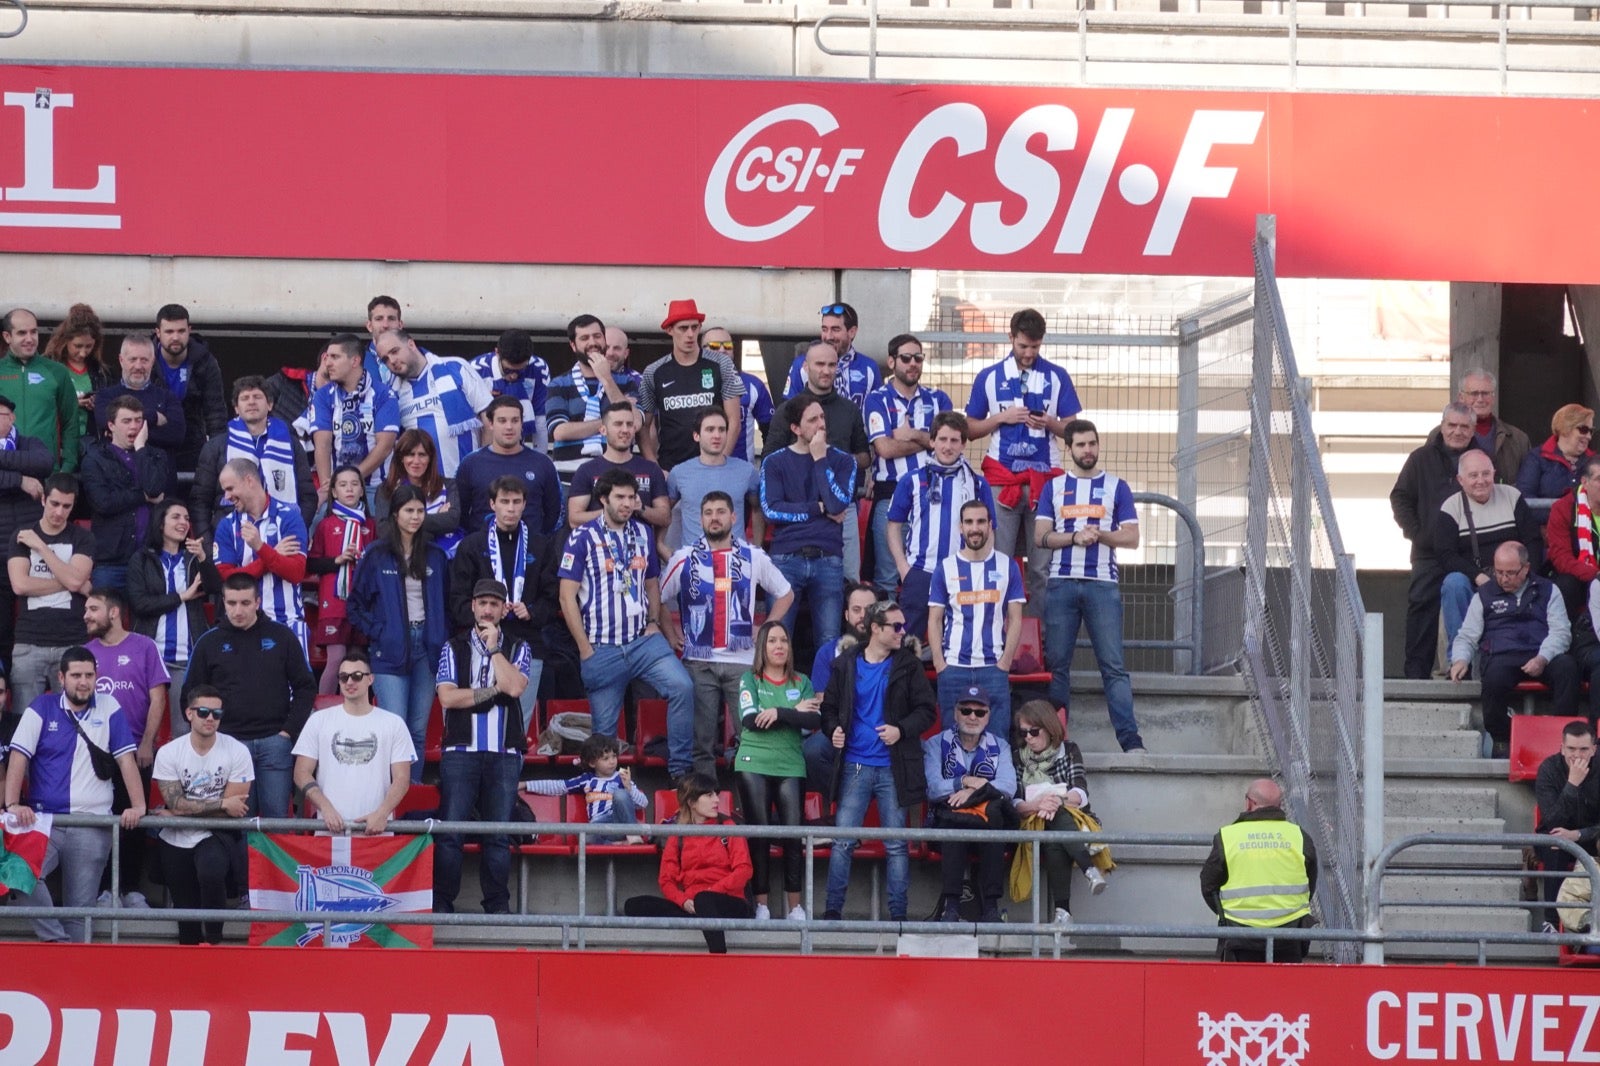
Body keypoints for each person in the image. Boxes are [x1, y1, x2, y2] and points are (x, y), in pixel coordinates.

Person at [558, 468, 694, 780]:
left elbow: (651, 583)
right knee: (604, 734)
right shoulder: (581, 537)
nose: (627, 503)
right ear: (603, 498)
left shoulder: (643, 533)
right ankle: (606, 791)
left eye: (632, 497)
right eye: (620, 497)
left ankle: (680, 771)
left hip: (642, 641)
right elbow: (567, 598)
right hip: (602, 647)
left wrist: (652, 620)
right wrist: (584, 649)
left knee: (683, 687)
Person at [4, 646, 146, 942]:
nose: (83, 682)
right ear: (61, 677)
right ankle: (58, 942)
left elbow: (125, 760)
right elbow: (19, 757)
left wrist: (139, 806)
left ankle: (72, 970)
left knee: (79, 909)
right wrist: (12, 803)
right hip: (46, 822)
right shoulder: (41, 707)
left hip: (92, 824)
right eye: (76, 675)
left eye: (89, 675)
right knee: (20, 874)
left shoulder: (110, 707)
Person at [662, 491, 795, 778]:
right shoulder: (684, 558)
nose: (714, 518)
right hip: (700, 662)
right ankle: (705, 803)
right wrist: (671, 634)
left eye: (721, 511)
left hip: (743, 662)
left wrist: (768, 626)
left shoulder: (753, 557)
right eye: (708, 512)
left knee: (751, 734)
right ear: (700, 519)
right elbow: (657, 597)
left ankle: (748, 800)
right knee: (702, 740)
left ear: (733, 518)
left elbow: (786, 593)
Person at [1035, 418, 1146, 754]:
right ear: (1069, 449)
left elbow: (1132, 537)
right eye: (1081, 445)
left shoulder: (1116, 486)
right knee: (1057, 666)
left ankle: (1131, 742)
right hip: (1061, 584)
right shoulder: (1053, 487)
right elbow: (1041, 536)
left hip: (1102, 585)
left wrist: (1101, 535)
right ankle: (1054, 744)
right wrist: (1074, 537)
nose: (1088, 450)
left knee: (1113, 666)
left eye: (1092, 443)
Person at [819, 600, 935, 921]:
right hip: (855, 764)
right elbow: (828, 709)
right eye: (895, 627)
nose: (903, 631)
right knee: (843, 842)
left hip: (891, 767)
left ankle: (898, 916)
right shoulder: (845, 664)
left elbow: (927, 711)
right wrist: (834, 730)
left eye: (903, 626)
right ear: (875, 629)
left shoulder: (909, 665)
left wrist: (901, 730)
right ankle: (832, 913)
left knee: (896, 845)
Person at [964, 308, 1082, 612]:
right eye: (1023, 346)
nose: (1029, 353)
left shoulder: (1057, 377)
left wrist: (1050, 424)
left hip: (1045, 482)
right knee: (998, 562)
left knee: (1041, 568)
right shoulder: (989, 377)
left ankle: (1039, 641)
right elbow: (970, 429)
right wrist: (1002, 417)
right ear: (1011, 338)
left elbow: (1075, 432)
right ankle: (997, 632)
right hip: (1001, 480)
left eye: (1035, 347)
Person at [434, 578, 533, 915]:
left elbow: (515, 687)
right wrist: (491, 693)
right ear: (473, 606)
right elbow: (448, 697)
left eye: (495, 604)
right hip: (460, 753)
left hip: (504, 753)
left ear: (504, 609)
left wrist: (494, 650)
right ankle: (442, 904)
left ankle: (497, 906)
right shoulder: (453, 646)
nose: (488, 610)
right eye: (482, 603)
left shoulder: (518, 646)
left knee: (497, 835)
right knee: (450, 834)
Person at [184, 573, 317, 818]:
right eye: (231, 603)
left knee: (275, 820)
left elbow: (306, 687)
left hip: (275, 743)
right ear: (223, 602)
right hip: (227, 744)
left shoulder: (282, 636)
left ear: (258, 602)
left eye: (245, 603)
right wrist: (213, 734)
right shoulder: (208, 642)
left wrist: (288, 731)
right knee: (236, 823)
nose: (237, 610)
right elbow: (190, 695)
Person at [347, 484, 451, 784]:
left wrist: (439, 635)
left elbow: (446, 604)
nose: (415, 517)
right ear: (395, 514)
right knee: (395, 728)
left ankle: (412, 799)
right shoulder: (377, 553)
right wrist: (381, 633)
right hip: (389, 649)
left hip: (427, 649)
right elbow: (355, 605)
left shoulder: (435, 556)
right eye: (409, 510)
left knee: (417, 731)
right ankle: (388, 798)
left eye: (420, 510)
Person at [1449, 541, 1578, 758]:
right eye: (1499, 572)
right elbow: (1467, 634)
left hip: (1541, 652)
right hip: (1502, 655)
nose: (1503, 578)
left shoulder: (1548, 590)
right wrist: (1460, 659)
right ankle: (1503, 738)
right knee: (1492, 680)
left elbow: (1561, 632)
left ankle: (1562, 739)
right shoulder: (1484, 594)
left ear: (1526, 568)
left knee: (1568, 668)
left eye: (1511, 573)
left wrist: (1542, 658)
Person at [450, 475, 558, 726]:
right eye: (504, 501)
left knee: (518, 723)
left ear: (524, 504)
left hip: (527, 643)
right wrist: (488, 617)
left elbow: (553, 597)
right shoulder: (472, 546)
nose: (510, 508)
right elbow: (457, 599)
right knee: (480, 721)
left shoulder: (541, 546)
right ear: (492, 504)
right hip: (480, 644)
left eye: (516, 502)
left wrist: (531, 611)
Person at [760, 394, 857, 666]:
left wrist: (819, 459)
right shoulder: (774, 462)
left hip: (828, 558)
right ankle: (778, 702)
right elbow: (771, 511)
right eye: (812, 420)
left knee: (828, 641)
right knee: (778, 638)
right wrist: (818, 508)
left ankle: (827, 703)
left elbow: (838, 502)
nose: (821, 425)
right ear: (795, 429)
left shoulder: (843, 461)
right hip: (786, 558)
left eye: (823, 418)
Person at [152, 685, 252, 945]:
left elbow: (235, 810)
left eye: (217, 713)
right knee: (186, 918)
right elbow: (176, 802)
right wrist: (220, 804)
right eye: (204, 711)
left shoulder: (237, 750)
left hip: (216, 834)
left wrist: (179, 813)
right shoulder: (169, 752)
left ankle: (215, 941)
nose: (210, 718)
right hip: (175, 840)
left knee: (211, 871)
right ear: (189, 713)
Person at [733, 620, 819, 921]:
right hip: (753, 763)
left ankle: (795, 907)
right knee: (760, 834)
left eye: (784, 640)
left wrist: (780, 713)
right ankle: (762, 905)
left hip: (791, 765)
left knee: (792, 835)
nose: (779, 646)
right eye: (772, 641)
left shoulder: (802, 681)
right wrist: (794, 714)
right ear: (762, 647)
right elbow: (750, 720)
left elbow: (814, 722)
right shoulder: (749, 679)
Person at [764, 343, 870, 580]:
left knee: (849, 581)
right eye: (819, 364)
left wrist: (833, 459)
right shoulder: (787, 410)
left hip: (842, 507)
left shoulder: (849, 409)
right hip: (798, 505)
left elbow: (864, 456)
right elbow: (770, 457)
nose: (826, 370)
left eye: (832, 365)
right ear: (806, 367)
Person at [886, 412, 995, 643]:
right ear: (932, 441)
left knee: (958, 643)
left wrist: (979, 568)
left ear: (963, 444)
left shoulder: (977, 483)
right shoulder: (911, 480)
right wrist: (904, 568)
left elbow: (990, 531)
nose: (948, 446)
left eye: (954, 440)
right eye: (943, 439)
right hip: (920, 573)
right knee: (907, 645)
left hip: (963, 574)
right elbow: (893, 526)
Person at [1392, 402, 1478, 679]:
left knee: (1465, 607)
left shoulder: (1482, 459)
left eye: (1464, 426)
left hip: (1466, 551)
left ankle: (1463, 670)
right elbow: (1400, 498)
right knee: (1421, 609)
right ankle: (1415, 675)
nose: (1457, 431)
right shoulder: (1420, 458)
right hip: (1427, 552)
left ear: (1473, 429)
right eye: (1452, 425)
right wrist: (1417, 533)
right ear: (1442, 426)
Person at [622, 773, 753, 954]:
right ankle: (698, 913)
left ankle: (719, 957)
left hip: (728, 901)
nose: (716, 800)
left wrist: (709, 893)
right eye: (709, 795)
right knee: (633, 905)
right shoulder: (679, 834)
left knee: (704, 899)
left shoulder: (728, 826)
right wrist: (683, 901)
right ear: (691, 802)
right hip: (692, 904)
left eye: (716, 794)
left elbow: (744, 870)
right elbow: (666, 880)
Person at [865, 333, 952, 593]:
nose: (913, 363)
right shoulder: (877, 399)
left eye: (918, 358)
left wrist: (912, 434)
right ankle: (890, 634)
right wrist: (930, 440)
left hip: (933, 494)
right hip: (891, 493)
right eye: (906, 358)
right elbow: (885, 449)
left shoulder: (939, 399)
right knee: (888, 576)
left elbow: (952, 444)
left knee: (937, 572)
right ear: (891, 362)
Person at [293, 648, 414, 834]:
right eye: (343, 677)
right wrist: (325, 808)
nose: (350, 682)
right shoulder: (318, 720)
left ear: (370, 679)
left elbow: (402, 778)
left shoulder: (394, 723)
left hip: (376, 831)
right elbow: (301, 772)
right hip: (329, 829)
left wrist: (381, 814)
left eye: (357, 676)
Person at [930, 500, 1024, 739]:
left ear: (991, 525)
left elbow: (1015, 619)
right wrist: (941, 664)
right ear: (960, 527)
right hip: (953, 669)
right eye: (969, 522)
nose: (975, 527)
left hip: (993, 668)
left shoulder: (1008, 565)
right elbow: (934, 620)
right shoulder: (945, 568)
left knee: (996, 741)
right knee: (951, 743)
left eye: (981, 521)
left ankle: (992, 779)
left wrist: (1004, 663)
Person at [1011, 699, 1108, 928]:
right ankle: (1089, 869)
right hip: (1032, 821)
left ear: (1049, 727)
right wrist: (1040, 804)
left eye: (1033, 732)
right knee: (1053, 818)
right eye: (1023, 732)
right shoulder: (1017, 756)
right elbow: (1015, 802)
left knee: (1055, 833)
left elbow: (1081, 793)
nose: (1028, 738)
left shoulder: (1069, 750)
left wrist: (1056, 800)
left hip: (1066, 819)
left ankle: (1063, 912)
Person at [923, 687, 1017, 923]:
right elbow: (934, 788)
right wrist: (964, 781)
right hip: (946, 823)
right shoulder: (935, 744)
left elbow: (1007, 786)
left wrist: (970, 794)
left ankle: (991, 907)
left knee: (994, 826)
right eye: (966, 710)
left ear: (988, 716)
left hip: (987, 822)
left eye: (979, 712)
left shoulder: (1001, 746)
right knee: (954, 825)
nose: (972, 717)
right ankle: (951, 906)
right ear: (955, 713)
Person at [127, 499, 219, 732]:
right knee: (142, 728)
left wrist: (203, 559)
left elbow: (215, 588)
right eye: (176, 517)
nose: (183, 522)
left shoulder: (192, 558)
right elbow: (139, 603)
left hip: (184, 658)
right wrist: (181, 597)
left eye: (187, 518)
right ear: (160, 523)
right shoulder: (142, 558)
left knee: (182, 730)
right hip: (150, 657)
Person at [1200, 778, 1316, 963]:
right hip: (1288, 938)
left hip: (1240, 939)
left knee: (1241, 991)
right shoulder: (1299, 836)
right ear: (1279, 805)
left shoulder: (1228, 837)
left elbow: (1208, 885)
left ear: (1249, 803)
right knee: (1285, 991)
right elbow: (1310, 883)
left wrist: (1229, 915)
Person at [1434, 449, 1541, 650]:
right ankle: (1459, 659)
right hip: (1475, 580)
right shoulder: (1451, 507)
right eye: (1473, 475)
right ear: (1460, 479)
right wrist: (1477, 576)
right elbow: (1445, 555)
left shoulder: (1512, 496)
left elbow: (1533, 540)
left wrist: (1525, 575)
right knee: (1453, 584)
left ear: (1494, 473)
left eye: (1486, 473)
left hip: (1515, 576)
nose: (1480, 480)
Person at [7, 473, 93, 711]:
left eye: (67, 506)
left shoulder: (82, 537)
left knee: (73, 722)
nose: (59, 512)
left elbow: (76, 580)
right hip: (29, 642)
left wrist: (42, 548)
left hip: (72, 641)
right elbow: (20, 585)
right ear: (43, 499)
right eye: (55, 504)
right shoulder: (23, 536)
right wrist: (69, 581)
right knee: (25, 724)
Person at [192, 376, 316, 536]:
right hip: (230, 538)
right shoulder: (216, 446)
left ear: (270, 404)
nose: (251, 402)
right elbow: (200, 502)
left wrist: (294, 530)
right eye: (244, 398)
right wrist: (210, 549)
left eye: (257, 397)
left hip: (282, 537)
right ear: (236, 408)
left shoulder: (291, 444)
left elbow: (307, 497)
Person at [212, 458, 311, 655]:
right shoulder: (227, 525)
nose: (227, 496)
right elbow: (229, 579)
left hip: (288, 622)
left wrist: (259, 546)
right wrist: (270, 556)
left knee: (298, 686)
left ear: (249, 480)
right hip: (243, 626)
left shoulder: (289, 516)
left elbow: (296, 572)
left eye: (230, 488)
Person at [638, 298, 744, 470]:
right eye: (683, 328)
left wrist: (721, 462)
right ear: (669, 330)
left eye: (694, 327)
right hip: (669, 467)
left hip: (713, 465)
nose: (690, 334)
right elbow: (643, 425)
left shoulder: (722, 364)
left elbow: (734, 421)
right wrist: (654, 468)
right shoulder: (654, 371)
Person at [80, 395, 172, 591]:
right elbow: (103, 502)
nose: (134, 426)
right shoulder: (95, 459)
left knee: (148, 619)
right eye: (126, 421)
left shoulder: (156, 455)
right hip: (111, 561)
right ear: (111, 425)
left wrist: (140, 448)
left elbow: (154, 488)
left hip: (150, 556)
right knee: (106, 618)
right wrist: (143, 497)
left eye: (138, 420)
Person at [376, 328, 493, 481]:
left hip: (468, 478)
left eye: (395, 351)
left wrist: (482, 465)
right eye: (385, 359)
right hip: (423, 487)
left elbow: (489, 417)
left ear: (411, 344)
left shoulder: (455, 367)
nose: (392, 361)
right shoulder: (393, 393)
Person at [311, 332, 400, 515]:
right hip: (337, 489)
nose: (327, 363)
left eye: (335, 357)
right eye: (328, 357)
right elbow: (322, 444)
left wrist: (353, 480)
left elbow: (385, 446)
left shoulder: (384, 394)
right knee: (316, 527)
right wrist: (330, 487)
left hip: (376, 487)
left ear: (355, 361)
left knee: (380, 537)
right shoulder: (322, 395)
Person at [307, 466, 377, 694]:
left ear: (362, 490)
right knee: (336, 658)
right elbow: (312, 563)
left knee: (359, 661)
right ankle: (322, 710)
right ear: (334, 492)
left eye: (355, 484)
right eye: (343, 484)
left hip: (364, 602)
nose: (349, 489)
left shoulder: (371, 525)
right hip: (334, 602)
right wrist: (338, 559)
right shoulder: (326, 525)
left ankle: (357, 709)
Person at [803, 582, 878, 794]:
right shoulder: (828, 652)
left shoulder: (892, 650)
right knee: (812, 751)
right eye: (856, 610)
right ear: (846, 615)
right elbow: (824, 702)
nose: (863, 616)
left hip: (881, 728)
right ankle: (850, 793)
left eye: (870, 610)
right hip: (843, 727)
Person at [453, 394, 564, 535]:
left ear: (522, 423)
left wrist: (538, 542)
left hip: (531, 551)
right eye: (502, 421)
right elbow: (459, 512)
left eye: (515, 420)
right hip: (482, 552)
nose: (509, 427)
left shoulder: (542, 463)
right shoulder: (470, 463)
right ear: (491, 424)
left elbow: (555, 513)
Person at [548, 314, 641, 477]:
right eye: (584, 338)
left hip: (618, 477)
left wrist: (606, 379)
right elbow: (560, 431)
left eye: (597, 336)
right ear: (573, 345)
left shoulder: (626, 382)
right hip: (570, 477)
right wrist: (609, 423)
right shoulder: (559, 384)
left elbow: (635, 423)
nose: (592, 342)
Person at [0, 394, 55, 670]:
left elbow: (44, 463)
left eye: (1, 415)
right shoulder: (23, 458)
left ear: (12, 418)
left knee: (33, 622)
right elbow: (29, 469)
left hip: (29, 549)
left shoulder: (31, 442)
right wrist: (19, 480)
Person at [1533, 720, 1600, 932]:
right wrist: (1572, 784)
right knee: (1556, 843)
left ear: (1594, 749)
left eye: (1583, 749)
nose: (1577, 756)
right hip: (1556, 837)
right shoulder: (1549, 769)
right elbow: (1551, 820)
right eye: (1571, 749)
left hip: (1591, 839)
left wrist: (1578, 835)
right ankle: (1551, 922)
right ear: (1562, 748)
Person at [521, 733, 647, 844]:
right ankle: (618, 844)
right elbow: (558, 786)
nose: (612, 762)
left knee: (620, 794)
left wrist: (629, 788)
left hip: (621, 823)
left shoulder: (622, 777)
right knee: (585, 837)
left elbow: (643, 803)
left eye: (614, 756)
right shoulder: (587, 779)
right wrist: (526, 784)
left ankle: (633, 835)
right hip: (599, 825)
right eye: (606, 758)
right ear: (592, 763)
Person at [567, 402, 670, 532]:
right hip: (600, 547)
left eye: (630, 424)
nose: (625, 430)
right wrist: (610, 512)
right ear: (603, 430)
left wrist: (640, 508)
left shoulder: (651, 469)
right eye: (618, 424)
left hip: (640, 548)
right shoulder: (587, 470)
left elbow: (665, 518)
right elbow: (574, 519)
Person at [667, 407, 763, 546]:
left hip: (735, 562)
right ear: (696, 436)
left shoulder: (746, 471)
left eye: (722, 429)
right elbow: (663, 514)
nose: (717, 435)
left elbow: (757, 509)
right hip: (694, 562)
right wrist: (663, 548)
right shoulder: (679, 473)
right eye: (710, 430)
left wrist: (756, 549)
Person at [0, 308, 81, 473]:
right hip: (4, 471)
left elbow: (70, 422)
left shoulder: (57, 372)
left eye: (34, 332)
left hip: (45, 471)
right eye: (22, 333)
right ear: (7, 337)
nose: (29, 339)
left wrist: (66, 468)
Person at [153, 304, 228, 475]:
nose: (175, 337)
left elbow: (216, 413)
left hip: (193, 448)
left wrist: (218, 456)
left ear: (189, 330)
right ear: (158, 333)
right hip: (152, 446)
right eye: (169, 332)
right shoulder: (145, 359)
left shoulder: (206, 362)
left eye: (181, 331)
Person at [92, 334, 185, 458]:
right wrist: (154, 417)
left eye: (144, 360)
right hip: (116, 472)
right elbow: (104, 422)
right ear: (121, 360)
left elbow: (176, 436)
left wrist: (123, 430)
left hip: (158, 473)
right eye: (133, 359)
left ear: (152, 362)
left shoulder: (168, 398)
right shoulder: (105, 396)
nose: (138, 366)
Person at [784, 302, 881, 411]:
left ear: (852, 332)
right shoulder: (802, 364)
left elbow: (877, 413)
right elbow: (788, 410)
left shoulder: (869, 368)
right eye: (824, 329)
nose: (828, 336)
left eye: (835, 330)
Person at [379, 429, 460, 553]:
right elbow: (384, 531)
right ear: (401, 457)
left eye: (422, 455)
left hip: (447, 557)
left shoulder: (449, 485)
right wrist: (436, 520)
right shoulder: (387, 489)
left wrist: (403, 521)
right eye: (410, 454)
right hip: (401, 557)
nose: (416, 461)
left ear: (430, 458)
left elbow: (452, 521)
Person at [44, 303, 111, 450]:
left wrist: (98, 404)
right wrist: (71, 404)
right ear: (65, 340)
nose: (83, 353)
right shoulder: (47, 366)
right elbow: (38, 406)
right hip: (56, 445)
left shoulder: (100, 371)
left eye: (89, 346)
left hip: (92, 444)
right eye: (78, 346)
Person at [470, 328, 550, 449]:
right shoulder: (474, 370)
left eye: (520, 371)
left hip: (518, 445)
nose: (513, 376)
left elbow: (540, 420)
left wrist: (540, 460)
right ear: (497, 353)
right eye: (507, 370)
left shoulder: (539, 368)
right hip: (481, 442)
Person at [1457, 369, 1530, 486]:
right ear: (1461, 397)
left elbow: (1527, 484)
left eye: (1485, 393)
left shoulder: (1518, 439)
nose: (1480, 399)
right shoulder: (1442, 436)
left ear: (1493, 397)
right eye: (1474, 393)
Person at [1518, 404, 1595, 503]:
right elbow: (1525, 500)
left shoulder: (1595, 462)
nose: (1589, 436)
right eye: (1583, 430)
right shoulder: (1536, 458)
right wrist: (1559, 514)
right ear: (1565, 428)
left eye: (1591, 431)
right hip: (1546, 518)